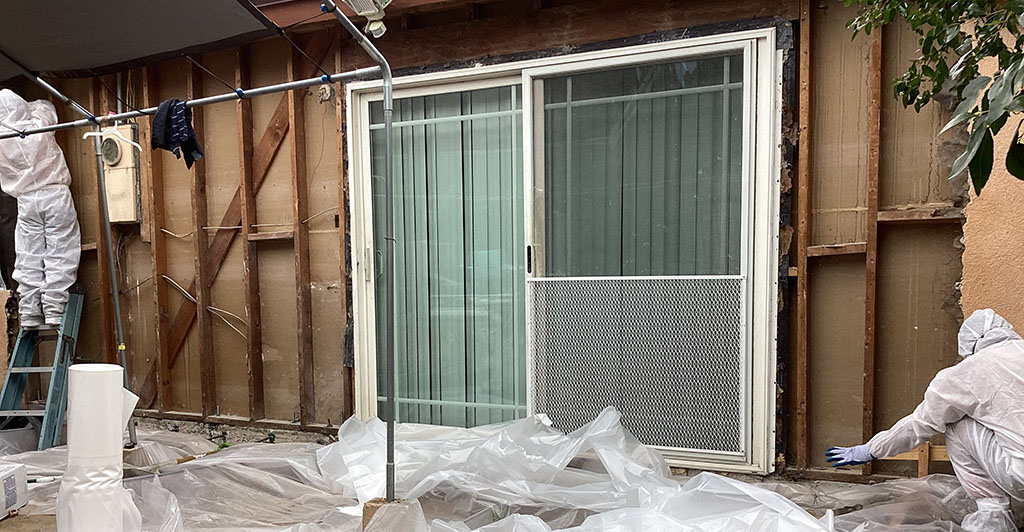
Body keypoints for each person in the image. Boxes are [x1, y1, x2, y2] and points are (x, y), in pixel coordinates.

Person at [827, 308, 1024, 531]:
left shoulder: (967, 373)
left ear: (969, 344)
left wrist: (870, 450)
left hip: (1020, 476)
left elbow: (920, 424)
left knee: (956, 422)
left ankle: (993, 517)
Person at [0, 89, 81, 328]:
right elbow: (46, 106)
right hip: (54, 194)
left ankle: (29, 311)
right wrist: (26, 107)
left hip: (25, 201)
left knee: (28, 255)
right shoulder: (37, 125)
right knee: (60, 249)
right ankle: (54, 309)